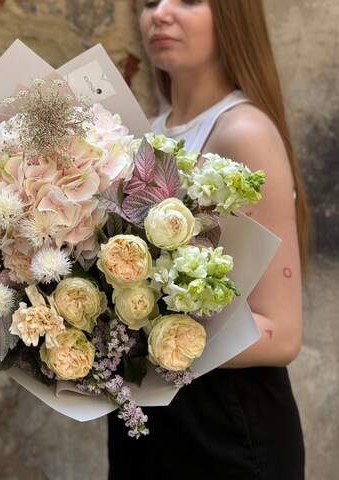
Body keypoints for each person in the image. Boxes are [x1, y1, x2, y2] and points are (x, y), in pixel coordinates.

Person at [108, 1, 307, 478]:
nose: (160, 13)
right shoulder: (142, 135)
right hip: (145, 420)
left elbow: (283, 336)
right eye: (150, 2)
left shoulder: (243, 132)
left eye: (189, 0)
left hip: (226, 426)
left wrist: (128, 340)